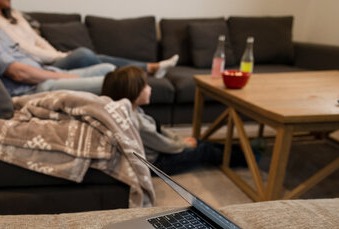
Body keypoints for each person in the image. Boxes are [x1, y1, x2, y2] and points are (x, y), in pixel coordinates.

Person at [0, 0, 115, 96]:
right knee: (120, 83)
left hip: (44, 73)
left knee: (110, 69)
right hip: (33, 87)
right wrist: (63, 75)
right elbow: (19, 73)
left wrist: (57, 70)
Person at [101, 66, 251, 175]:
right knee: (203, 150)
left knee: (199, 142)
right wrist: (184, 144)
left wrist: (181, 140)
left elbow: (161, 133)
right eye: (145, 86)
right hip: (157, 163)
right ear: (132, 92)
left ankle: (238, 149)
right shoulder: (137, 123)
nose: (150, 88)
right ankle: (246, 159)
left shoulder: (134, 110)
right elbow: (164, 145)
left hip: (160, 152)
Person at [0, 0, 179, 78]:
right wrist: (58, 56)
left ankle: (148, 68)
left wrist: (57, 53)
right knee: (86, 55)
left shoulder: (15, 15)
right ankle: (149, 68)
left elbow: (37, 40)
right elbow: (26, 49)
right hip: (37, 65)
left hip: (51, 58)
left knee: (99, 61)